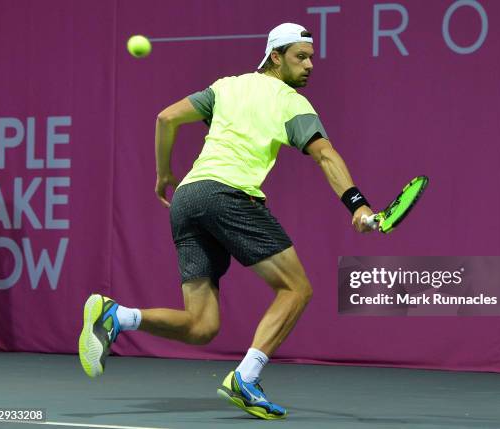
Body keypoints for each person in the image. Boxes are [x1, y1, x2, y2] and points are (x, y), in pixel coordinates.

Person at [78, 22, 374, 420]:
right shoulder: (291, 102)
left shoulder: (226, 87)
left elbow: (166, 118)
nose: (309, 66)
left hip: (188, 198)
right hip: (228, 195)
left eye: (311, 58)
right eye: (300, 57)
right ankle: (246, 379)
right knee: (296, 289)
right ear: (275, 56)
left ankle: (117, 316)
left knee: (202, 326)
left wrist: (164, 174)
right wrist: (357, 205)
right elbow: (325, 155)